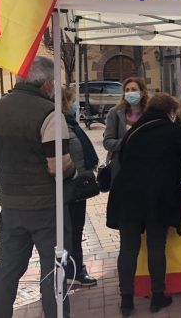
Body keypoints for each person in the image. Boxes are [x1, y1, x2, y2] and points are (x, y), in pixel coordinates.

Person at [108, 93, 181, 317]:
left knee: (128, 248)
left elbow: (123, 159)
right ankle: (157, 296)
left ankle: (126, 301)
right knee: (156, 245)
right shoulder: (173, 130)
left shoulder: (133, 131)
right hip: (158, 197)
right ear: (169, 112)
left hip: (127, 195)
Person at [0, 56, 75, 318]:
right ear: (47, 83)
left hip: (11, 204)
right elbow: (57, 166)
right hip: (46, 206)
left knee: (8, 268)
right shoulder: (49, 113)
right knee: (53, 271)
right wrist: (75, 172)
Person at [62, 86, 99, 287]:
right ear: (66, 103)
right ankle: (74, 272)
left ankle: (75, 269)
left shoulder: (71, 123)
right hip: (71, 188)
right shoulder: (61, 125)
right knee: (72, 232)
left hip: (77, 188)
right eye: (73, 100)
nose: (77, 104)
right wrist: (76, 173)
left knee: (76, 231)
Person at [103, 77, 149, 183]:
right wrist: (129, 142)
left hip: (145, 166)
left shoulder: (150, 113)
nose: (130, 93)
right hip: (121, 167)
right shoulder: (115, 113)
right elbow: (107, 142)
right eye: (127, 90)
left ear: (142, 92)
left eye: (134, 89)